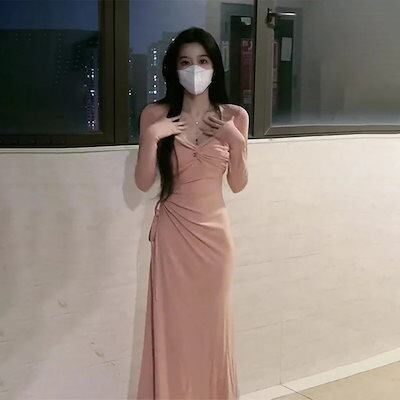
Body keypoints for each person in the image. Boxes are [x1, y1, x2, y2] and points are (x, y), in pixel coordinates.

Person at [135, 26, 249, 400]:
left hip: (215, 241)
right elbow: (143, 182)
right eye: (186, 62)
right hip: (173, 240)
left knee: (212, 329)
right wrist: (152, 136)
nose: (195, 69)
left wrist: (236, 141)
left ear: (214, 66)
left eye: (202, 60)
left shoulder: (234, 115)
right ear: (174, 68)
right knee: (173, 330)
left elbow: (238, 184)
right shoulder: (155, 114)